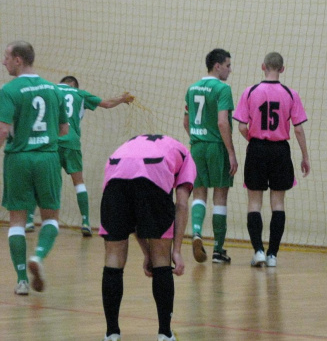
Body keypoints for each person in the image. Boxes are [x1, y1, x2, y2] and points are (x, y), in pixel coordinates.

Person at [99, 134, 196, 341]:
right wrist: (176, 251)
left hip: (115, 172)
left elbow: (133, 215)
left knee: (113, 257)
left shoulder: (132, 144)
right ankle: (165, 333)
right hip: (154, 173)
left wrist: (146, 252)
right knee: (162, 257)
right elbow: (181, 204)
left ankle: (111, 333)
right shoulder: (186, 155)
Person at [25, 75, 135, 236]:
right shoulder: (79, 94)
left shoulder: (50, 90)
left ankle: (29, 221)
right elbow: (107, 103)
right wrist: (122, 99)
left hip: (51, 143)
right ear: (74, 86)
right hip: (71, 143)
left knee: (41, 181)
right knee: (78, 183)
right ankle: (86, 222)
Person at [0, 41, 69, 295]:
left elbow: (3, 130)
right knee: (50, 217)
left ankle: (21, 280)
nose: (3, 61)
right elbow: (64, 129)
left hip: (18, 159)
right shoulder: (54, 90)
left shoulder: (9, 90)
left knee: (17, 220)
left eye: (6, 56)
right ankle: (38, 257)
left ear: (18, 59)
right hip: (47, 158)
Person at [233, 52, 310, 267]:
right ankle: (273, 255)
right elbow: (299, 129)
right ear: (282, 69)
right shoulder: (291, 94)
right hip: (280, 151)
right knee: (278, 203)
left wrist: (255, 140)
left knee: (254, 202)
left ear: (263, 66)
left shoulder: (250, 92)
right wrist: (305, 156)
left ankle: (257, 251)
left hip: (257, 148)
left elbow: (240, 126)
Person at [184, 48, 238, 264]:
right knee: (220, 197)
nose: (229, 70)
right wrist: (231, 153)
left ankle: (196, 233)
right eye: (227, 65)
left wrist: (198, 137)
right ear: (217, 66)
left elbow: (186, 122)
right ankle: (218, 250)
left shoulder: (191, 88)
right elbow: (222, 122)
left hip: (196, 146)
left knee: (199, 194)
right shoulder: (223, 89)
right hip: (217, 146)